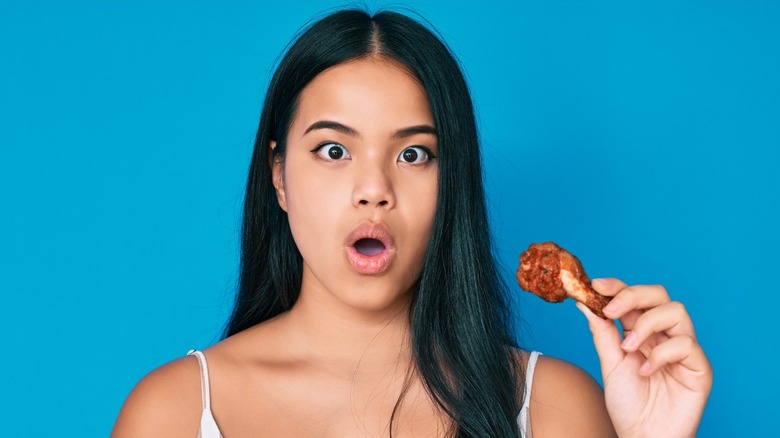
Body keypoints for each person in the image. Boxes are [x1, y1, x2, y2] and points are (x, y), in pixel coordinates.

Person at [112, 8, 712, 438]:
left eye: (414, 155)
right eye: (333, 150)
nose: (375, 191)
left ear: (452, 183)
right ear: (279, 176)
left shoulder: (552, 407)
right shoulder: (176, 412)